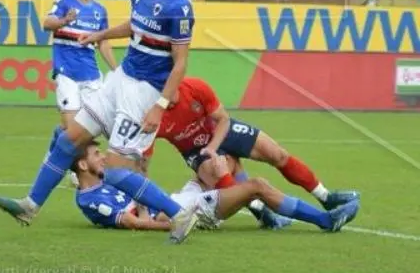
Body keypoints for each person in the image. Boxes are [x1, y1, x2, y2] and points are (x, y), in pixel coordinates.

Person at [0, 0, 200, 244]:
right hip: (121, 78)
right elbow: (135, 25)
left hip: (144, 92)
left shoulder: (179, 7)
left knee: (114, 173)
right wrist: (101, 34)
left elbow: (180, 64)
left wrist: (160, 105)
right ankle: (29, 206)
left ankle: (180, 215)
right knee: (68, 140)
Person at [150, 77, 359, 214]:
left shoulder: (194, 87)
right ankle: (261, 210)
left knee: (278, 154)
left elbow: (223, 118)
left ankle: (325, 196)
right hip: (195, 151)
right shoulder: (153, 115)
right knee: (226, 177)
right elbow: (137, 153)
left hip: (222, 130)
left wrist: (213, 146)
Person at [72, 142, 359, 233]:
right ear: (83, 167)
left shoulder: (104, 181)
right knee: (257, 185)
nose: (103, 158)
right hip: (180, 212)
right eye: (96, 156)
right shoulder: (90, 199)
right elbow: (134, 221)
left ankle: (267, 217)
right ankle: (325, 220)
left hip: (177, 199)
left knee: (227, 161)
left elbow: (138, 197)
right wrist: (179, 223)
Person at [43, 0, 116, 131]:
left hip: (91, 77)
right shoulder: (64, 2)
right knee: (72, 129)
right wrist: (64, 21)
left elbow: (103, 43)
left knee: (94, 129)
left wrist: (116, 69)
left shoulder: (100, 11)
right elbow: (47, 23)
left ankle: (58, 140)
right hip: (67, 74)